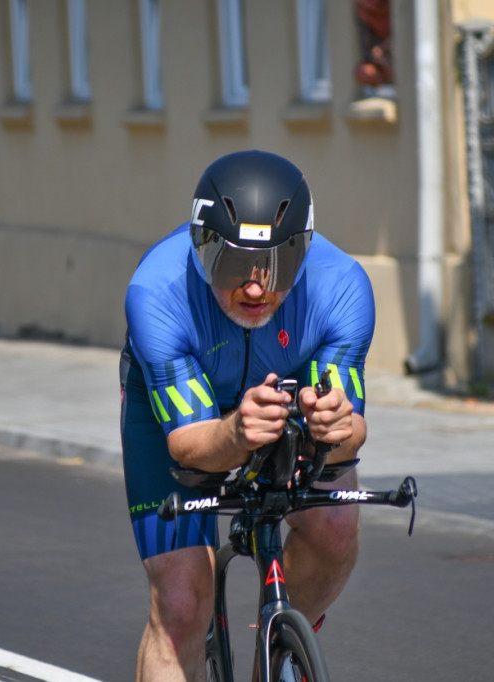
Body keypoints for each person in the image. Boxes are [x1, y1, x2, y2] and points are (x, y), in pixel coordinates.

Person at [120, 150, 375, 681]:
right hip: (184, 417)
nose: (255, 287)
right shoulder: (157, 292)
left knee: (334, 525)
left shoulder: (342, 287)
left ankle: (279, 649)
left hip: (282, 398)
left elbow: (351, 436)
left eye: (277, 265)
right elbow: (189, 446)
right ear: (201, 248)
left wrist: (334, 425)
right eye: (233, 265)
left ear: (303, 255)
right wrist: (236, 430)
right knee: (182, 602)